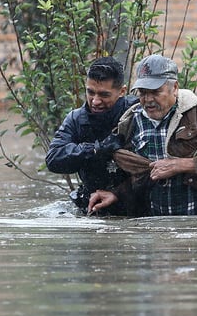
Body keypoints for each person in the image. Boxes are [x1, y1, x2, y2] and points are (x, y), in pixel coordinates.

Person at [87, 54, 197, 216]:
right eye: (142, 93)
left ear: (174, 88)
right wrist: (116, 194)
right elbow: (139, 177)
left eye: (155, 92)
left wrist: (183, 165)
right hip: (160, 228)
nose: (148, 100)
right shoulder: (131, 121)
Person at [45, 57, 138, 214]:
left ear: (122, 91)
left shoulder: (138, 113)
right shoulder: (76, 119)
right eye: (90, 92)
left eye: (104, 95)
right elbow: (54, 159)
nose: (95, 101)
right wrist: (94, 150)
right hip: (92, 204)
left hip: (134, 202)